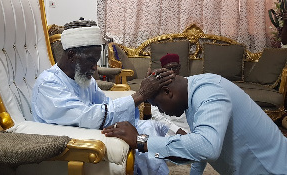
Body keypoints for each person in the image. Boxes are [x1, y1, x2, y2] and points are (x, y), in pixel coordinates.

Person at [31, 19, 174, 175]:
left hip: (91, 131)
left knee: (151, 128)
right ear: (71, 55)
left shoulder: (84, 79)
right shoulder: (49, 84)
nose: (95, 68)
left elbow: (105, 103)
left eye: (96, 61)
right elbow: (88, 117)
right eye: (91, 60)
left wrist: (142, 96)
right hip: (70, 146)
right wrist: (140, 95)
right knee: (140, 143)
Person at [102, 73, 287, 174]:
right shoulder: (193, 95)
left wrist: (142, 141)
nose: (162, 112)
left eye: (158, 105)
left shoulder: (209, 93)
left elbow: (208, 147)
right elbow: (199, 147)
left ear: (168, 91)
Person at [150, 53, 189, 135]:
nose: (172, 71)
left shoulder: (187, 83)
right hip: (167, 127)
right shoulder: (158, 87)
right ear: (163, 70)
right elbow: (156, 115)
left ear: (179, 68)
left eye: (175, 67)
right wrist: (177, 130)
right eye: (169, 68)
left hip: (188, 126)